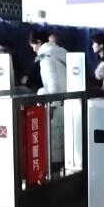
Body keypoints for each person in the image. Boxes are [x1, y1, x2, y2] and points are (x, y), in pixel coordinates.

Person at [26, 30, 68, 171]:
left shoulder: (46, 58)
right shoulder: (60, 53)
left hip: (57, 107)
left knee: (55, 147)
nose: (33, 49)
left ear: (39, 42)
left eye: (33, 46)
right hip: (69, 104)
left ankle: (55, 175)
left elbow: (53, 86)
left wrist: (51, 106)